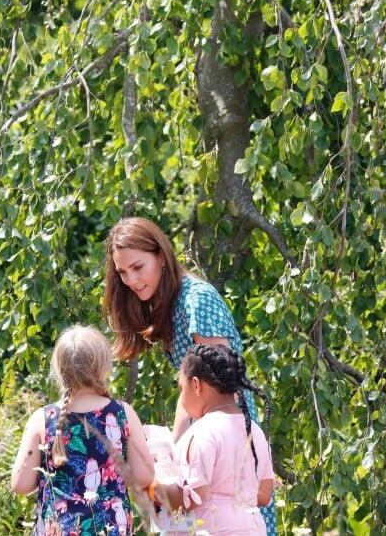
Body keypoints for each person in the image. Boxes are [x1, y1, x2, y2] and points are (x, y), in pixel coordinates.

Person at [103, 216, 278, 534]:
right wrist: (176, 446)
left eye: (138, 267)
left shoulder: (197, 302)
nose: (131, 280)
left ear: (161, 256)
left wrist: (175, 460)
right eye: (122, 272)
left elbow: (215, 379)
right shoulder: (171, 304)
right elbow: (193, 392)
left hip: (226, 438)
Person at [11, 324, 155, 535]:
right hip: (110, 529)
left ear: (59, 370)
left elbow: (20, 485)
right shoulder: (122, 414)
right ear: (104, 366)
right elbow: (144, 477)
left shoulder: (43, 419)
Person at [148, 343, 277, 535]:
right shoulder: (255, 432)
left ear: (196, 385)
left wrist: (152, 484)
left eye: (181, 389)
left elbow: (193, 498)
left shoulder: (203, 432)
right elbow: (265, 495)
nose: (181, 399)